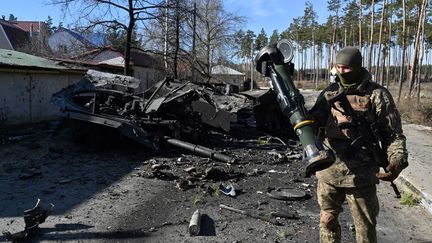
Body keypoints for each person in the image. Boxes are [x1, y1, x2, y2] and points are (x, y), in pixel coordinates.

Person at [310, 46, 408, 243]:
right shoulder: (328, 93)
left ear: (356, 66)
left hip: (362, 175)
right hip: (329, 171)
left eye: (346, 68)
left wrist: (396, 160)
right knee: (327, 222)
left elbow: (393, 134)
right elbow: (312, 125)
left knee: (365, 229)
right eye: (338, 67)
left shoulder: (377, 94)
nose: (341, 72)